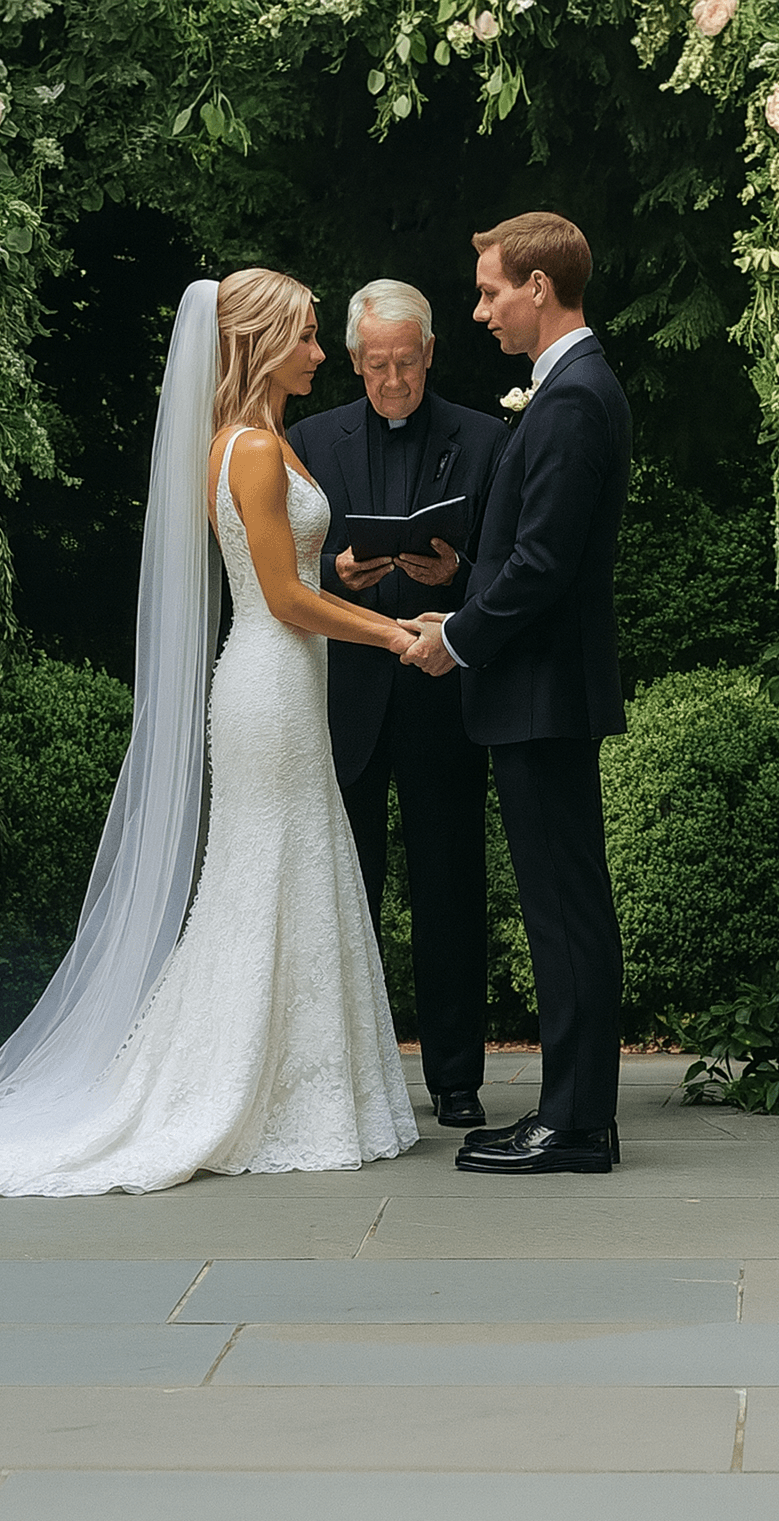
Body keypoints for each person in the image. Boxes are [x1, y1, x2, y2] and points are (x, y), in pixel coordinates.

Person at [0, 271, 418, 1197]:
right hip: (269, 679)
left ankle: (293, 1087)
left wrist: (344, 578)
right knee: (263, 874)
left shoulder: (255, 441)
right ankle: (241, 1089)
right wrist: (397, 633)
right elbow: (282, 600)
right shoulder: (254, 448)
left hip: (283, 679)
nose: (318, 353)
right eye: (304, 337)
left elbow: (289, 576)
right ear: (258, 343)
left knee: (286, 870)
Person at [400, 212, 630, 1175]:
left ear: (540, 287)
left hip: (542, 694)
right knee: (563, 903)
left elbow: (543, 565)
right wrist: (461, 582)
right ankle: (574, 1115)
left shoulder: (571, 398)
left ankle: (573, 1125)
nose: (481, 309)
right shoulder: (569, 387)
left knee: (565, 908)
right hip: (540, 692)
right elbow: (529, 554)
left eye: (492, 291)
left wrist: (456, 638)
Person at [288, 281, 507, 1127]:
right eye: (377, 365)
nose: (392, 381)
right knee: (345, 894)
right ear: (354, 360)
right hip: (345, 693)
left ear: (431, 353)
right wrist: (334, 573)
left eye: (406, 364)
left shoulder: (484, 438)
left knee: (450, 890)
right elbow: (279, 565)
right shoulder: (310, 438)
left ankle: (456, 1080)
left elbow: (512, 567)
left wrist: (459, 574)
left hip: (440, 694)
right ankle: (350, 1078)